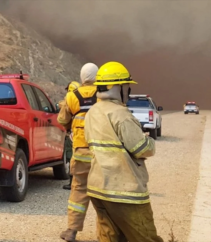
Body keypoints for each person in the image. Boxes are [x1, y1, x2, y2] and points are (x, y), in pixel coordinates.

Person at [84, 61, 163, 242]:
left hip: (98, 188)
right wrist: (148, 140)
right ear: (116, 88)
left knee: (110, 238)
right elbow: (141, 149)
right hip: (125, 191)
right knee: (145, 237)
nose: (127, 91)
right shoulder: (121, 114)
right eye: (125, 86)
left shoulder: (92, 112)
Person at [58, 63, 99, 242]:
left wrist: (71, 124)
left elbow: (62, 119)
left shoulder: (72, 97)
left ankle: (72, 231)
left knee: (78, 190)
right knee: (105, 193)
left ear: (82, 78)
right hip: (102, 152)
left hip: (81, 151)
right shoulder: (104, 94)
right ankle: (108, 233)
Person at [60, 81, 81, 190]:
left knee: (71, 158)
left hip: (72, 134)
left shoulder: (69, 99)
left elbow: (62, 119)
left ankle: (72, 182)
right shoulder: (85, 99)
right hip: (84, 135)